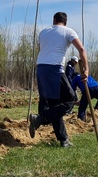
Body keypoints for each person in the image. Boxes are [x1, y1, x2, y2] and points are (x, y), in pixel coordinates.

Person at [28, 12, 88, 148]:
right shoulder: (68, 31)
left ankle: (64, 140)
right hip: (54, 69)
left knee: (56, 106)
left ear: (54, 20)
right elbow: (81, 49)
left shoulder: (44, 32)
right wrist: (86, 70)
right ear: (65, 22)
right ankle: (40, 119)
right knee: (70, 98)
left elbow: (41, 49)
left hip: (41, 69)